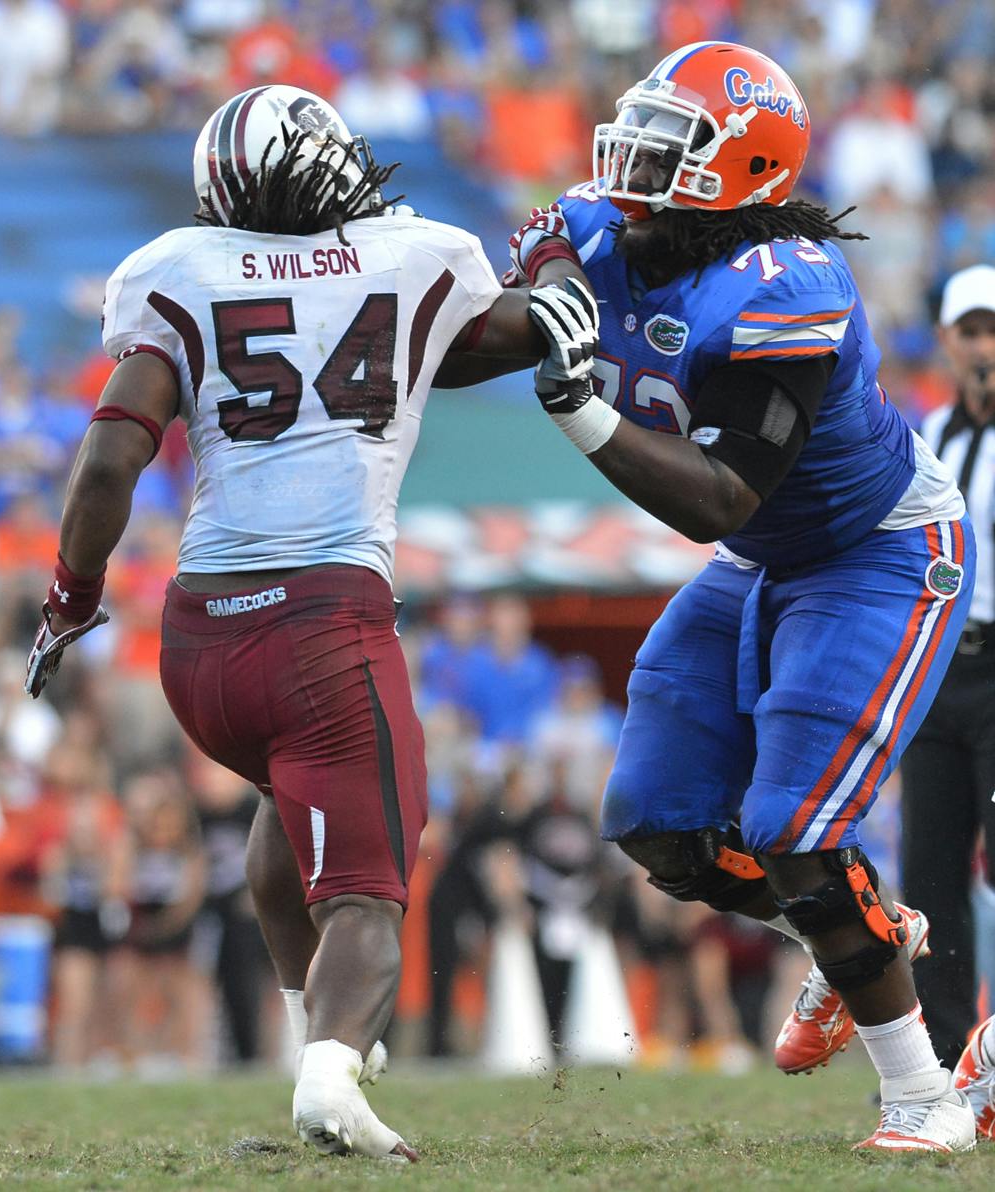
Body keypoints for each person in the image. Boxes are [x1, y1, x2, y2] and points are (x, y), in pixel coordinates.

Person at [22, 84, 592, 1161]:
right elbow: (535, 327)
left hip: (201, 649)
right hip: (325, 624)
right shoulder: (410, 254)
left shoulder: (178, 273)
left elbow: (106, 460)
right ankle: (333, 1075)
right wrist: (561, 255)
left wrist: (71, 600)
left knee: (285, 849)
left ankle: (311, 1051)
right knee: (370, 892)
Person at [479, 40, 982, 1151]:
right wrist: (534, 307)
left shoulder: (784, 287)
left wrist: (582, 409)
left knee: (795, 825)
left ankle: (925, 1097)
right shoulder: (609, 222)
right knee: (657, 822)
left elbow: (717, 499)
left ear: (741, 166)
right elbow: (531, 285)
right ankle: (855, 931)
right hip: (766, 559)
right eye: (641, 131)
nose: (636, 159)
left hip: (874, 553)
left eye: (671, 144)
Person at [900, 265, 995, 1073]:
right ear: (948, 343)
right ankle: (937, 1059)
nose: (985, 347)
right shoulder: (931, 434)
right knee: (928, 869)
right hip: (937, 668)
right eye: (972, 331)